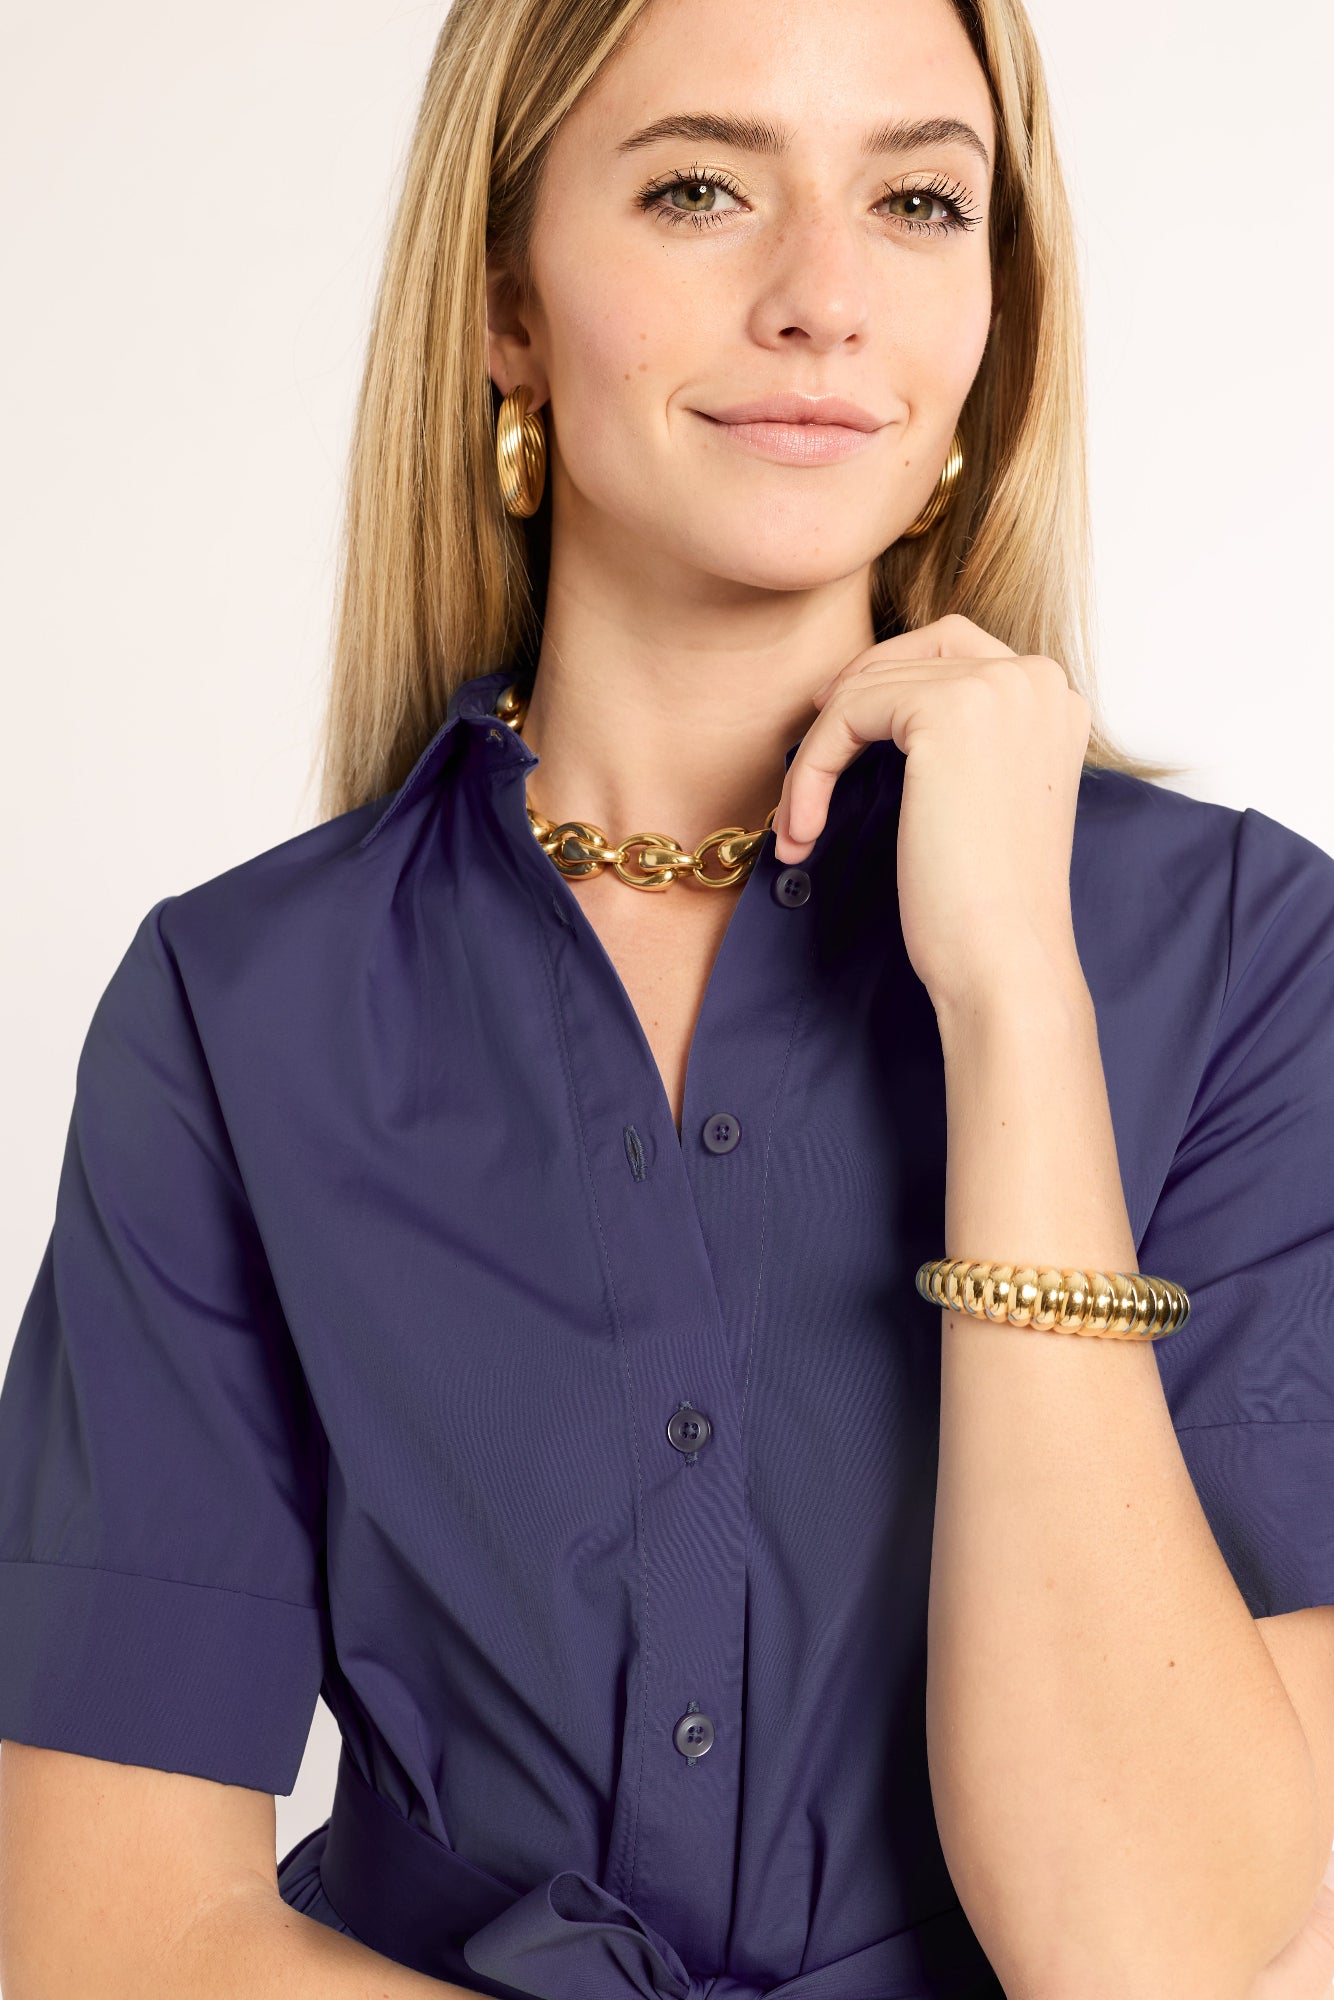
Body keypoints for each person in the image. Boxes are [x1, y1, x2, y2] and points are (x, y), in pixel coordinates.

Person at [2, 0, 1333, 1995]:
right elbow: (108, 1924)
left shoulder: (1235, 960)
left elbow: (1155, 1952)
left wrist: (1014, 1002)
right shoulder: (240, 1009)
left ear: (995, 320)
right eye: (701, 187)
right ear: (504, 306)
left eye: (914, 200)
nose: (821, 297)